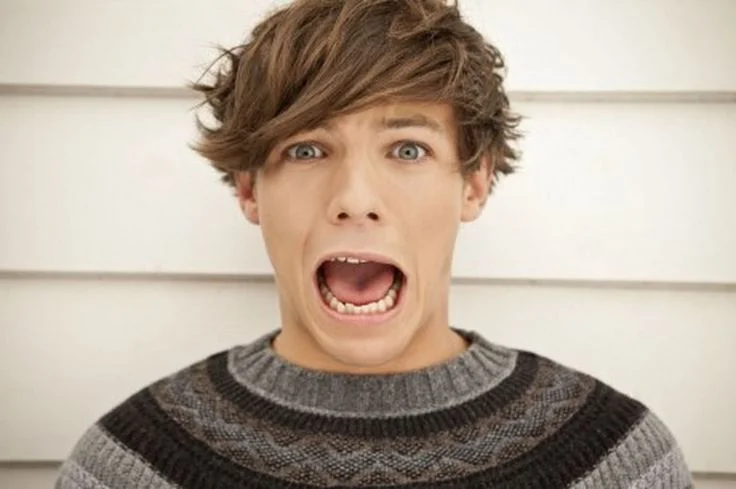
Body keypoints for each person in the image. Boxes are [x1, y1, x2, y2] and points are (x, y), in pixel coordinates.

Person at [56, 0, 693, 487]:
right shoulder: (128, 468)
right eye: (306, 150)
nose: (355, 198)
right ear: (249, 190)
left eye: (408, 150)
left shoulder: (616, 463)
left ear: (473, 184)